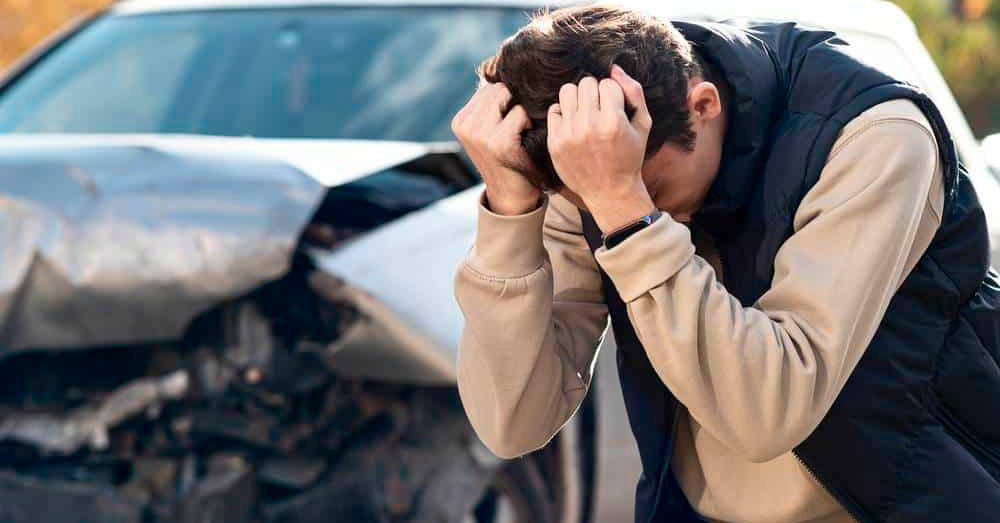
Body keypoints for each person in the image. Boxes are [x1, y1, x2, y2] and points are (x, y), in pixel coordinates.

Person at [451, 6, 1000, 523]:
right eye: (592, 199)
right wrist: (509, 209)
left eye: (654, 187)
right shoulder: (595, 163)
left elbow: (766, 414)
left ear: (705, 105)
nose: (616, 210)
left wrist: (626, 208)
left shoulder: (873, 136)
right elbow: (514, 423)